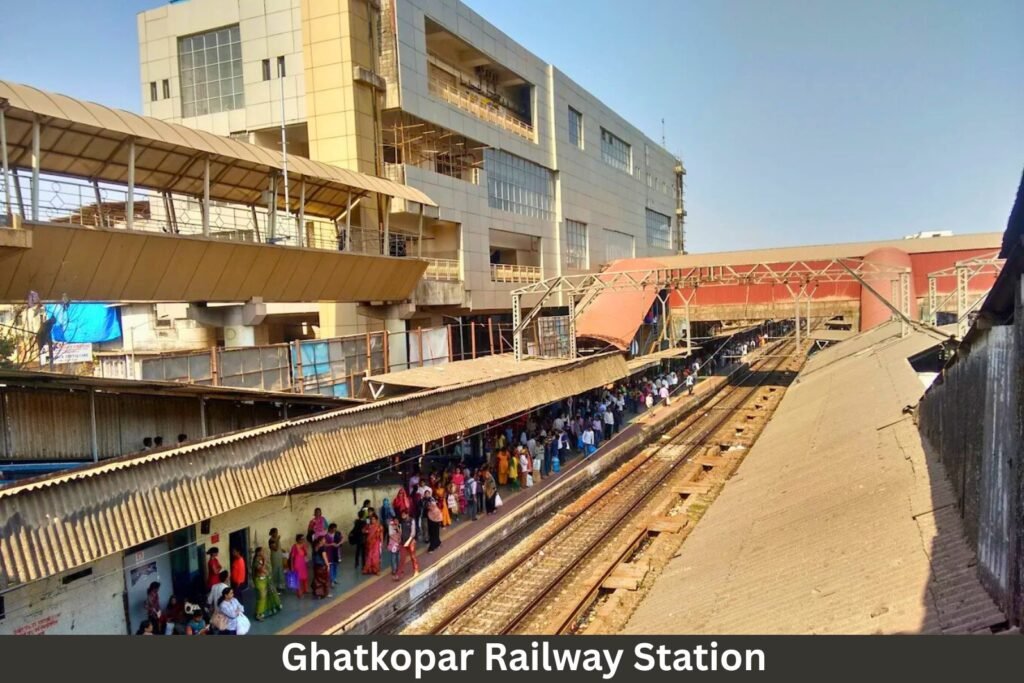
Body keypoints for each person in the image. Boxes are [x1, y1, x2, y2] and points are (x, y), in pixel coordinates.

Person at [252, 546, 281, 621]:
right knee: (262, 597)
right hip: (260, 580)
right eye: (262, 551)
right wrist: (264, 560)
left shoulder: (262, 559)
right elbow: (261, 569)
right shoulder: (257, 560)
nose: (263, 552)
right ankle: (258, 614)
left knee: (268, 595)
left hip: (265, 579)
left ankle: (264, 612)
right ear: (258, 552)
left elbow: (267, 569)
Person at [397, 510, 419, 578]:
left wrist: (408, 542)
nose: (402, 516)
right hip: (403, 542)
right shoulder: (402, 521)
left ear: (407, 514)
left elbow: (413, 533)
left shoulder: (412, 521)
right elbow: (401, 532)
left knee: (413, 557)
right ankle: (399, 574)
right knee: (402, 558)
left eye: (403, 515)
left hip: (411, 542)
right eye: (402, 515)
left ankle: (416, 570)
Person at [288, 534, 309, 598]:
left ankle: (305, 590)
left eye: (303, 539)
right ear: (298, 540)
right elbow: (292, 557)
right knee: (298, 579)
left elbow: (305, 554)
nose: (303, 540)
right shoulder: (294, 546)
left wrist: (304, 548)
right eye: (301, 539)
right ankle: (299, 593)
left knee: (304, 577)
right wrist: (292, 566)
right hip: (297, 564)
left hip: (303, 564)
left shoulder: (303, 546)